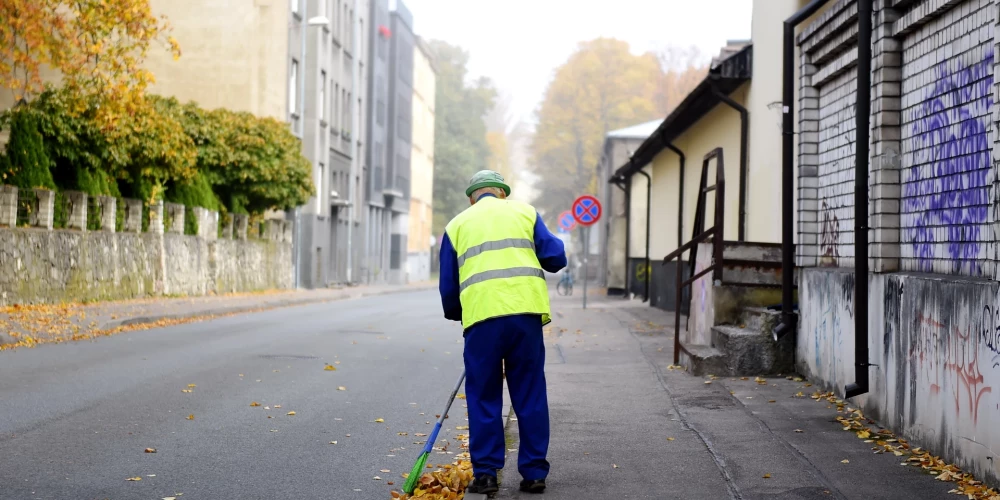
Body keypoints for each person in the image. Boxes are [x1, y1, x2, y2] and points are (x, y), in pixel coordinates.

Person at [438, 170, 567, 495]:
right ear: (501, 193)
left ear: (472, 197)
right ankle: (534, 474)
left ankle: (486, 475)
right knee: (530, 393)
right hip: (524, 317)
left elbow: (449, 287)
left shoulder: (457, 225)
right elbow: (556, 258)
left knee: (483, 397)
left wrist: (459, 314)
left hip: (482, 320)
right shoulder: (525, 212)